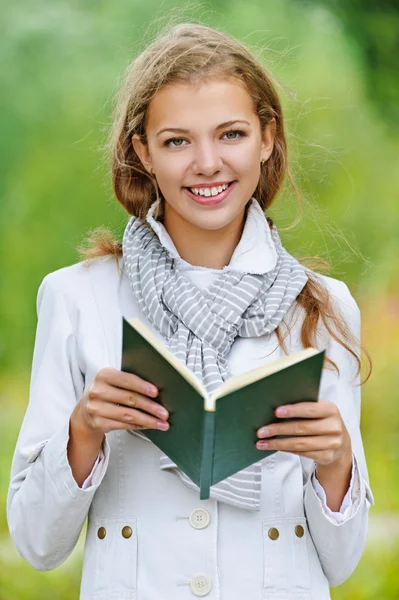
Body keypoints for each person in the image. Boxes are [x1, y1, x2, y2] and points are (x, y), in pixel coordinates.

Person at [7, 22, 374, 600]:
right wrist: (83, 432)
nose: (208, 163)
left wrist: (336, 466)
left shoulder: (325, 309)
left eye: (231, 134)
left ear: (267, 138)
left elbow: (343, 563)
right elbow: (36, 543)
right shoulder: (77, 298)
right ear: (143, 152)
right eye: (177, 141)